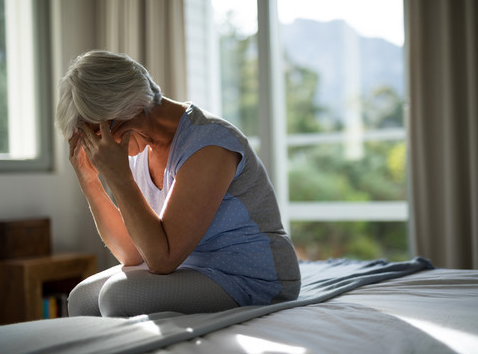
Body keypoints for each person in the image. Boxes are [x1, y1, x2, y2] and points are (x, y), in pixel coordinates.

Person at [55, 50, 300, 317]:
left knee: (118, 297)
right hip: (190, 268)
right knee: (81, 299)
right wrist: (90, 181)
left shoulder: (208, 144)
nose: (100, 147)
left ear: (130, 107)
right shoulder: (137, 150)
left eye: (99, 133)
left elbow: (162, 260)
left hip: (251, 276)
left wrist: (119, 177)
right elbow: (134, 254)